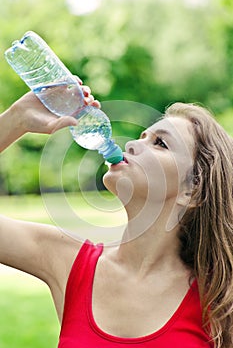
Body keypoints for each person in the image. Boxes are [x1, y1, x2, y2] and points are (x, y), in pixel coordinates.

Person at [0, 86, 232, 348]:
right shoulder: (68, 262)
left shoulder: (221, 300)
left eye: (160, 143)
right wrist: (15, 119)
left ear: (191, 191)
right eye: (142, 136)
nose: (132, 144)